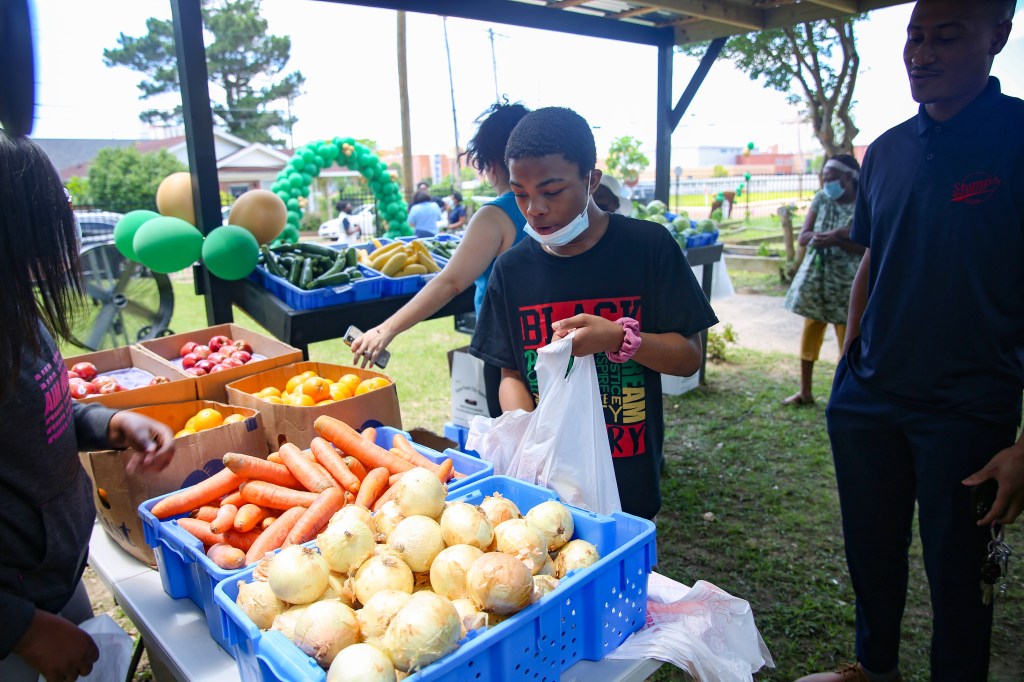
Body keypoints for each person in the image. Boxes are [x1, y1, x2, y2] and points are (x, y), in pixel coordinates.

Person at [799, 1, 1022, 680]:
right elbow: (875, 254)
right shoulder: (888, 149)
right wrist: (849, 365)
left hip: (968, 406)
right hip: (870, 396)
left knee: (959, 575)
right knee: (872, 550)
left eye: (945, 37)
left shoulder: (1018, 139)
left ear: (999, 36)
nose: (921, 53)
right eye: (915, 37)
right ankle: (873, 668)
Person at [469, 107, 717, 520]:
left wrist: (618, 339)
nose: (534, 209)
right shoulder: (512, 270)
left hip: (628, 479)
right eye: (520, 192)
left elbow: (688, 358)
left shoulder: (647, 248)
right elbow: (510, 372)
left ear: (591, 181)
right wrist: (532, 437)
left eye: (551, 191)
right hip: (547, 487)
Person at [0, 134, 176, 681]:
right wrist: (21, 628)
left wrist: (110, 422)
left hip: (48, 577)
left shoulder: (15, 306)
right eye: (57, 208)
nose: (68, 223)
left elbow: (40, 414)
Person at [351, 102, 531, 416]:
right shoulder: (561, 209)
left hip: (508, 357)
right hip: (553, 345)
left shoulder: (495, 216)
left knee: (516, 452)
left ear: (490, 160)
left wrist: (386, 329)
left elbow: (450, 282)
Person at [781, 154, 864, 406]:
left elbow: (868, 245)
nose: (827, 183)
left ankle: (844, 396)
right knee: (810, 334)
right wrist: (824, 236)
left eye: (831, 178)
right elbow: (804, 236)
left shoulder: (864, 203)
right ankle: (805, 391)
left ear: (848, 178)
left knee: (848, 342)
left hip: (848, 285)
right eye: (824, 178)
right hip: (818, 282)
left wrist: (838, 238)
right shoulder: (822, 198)